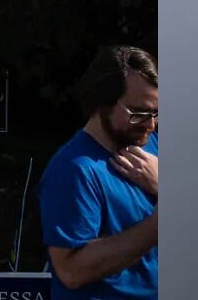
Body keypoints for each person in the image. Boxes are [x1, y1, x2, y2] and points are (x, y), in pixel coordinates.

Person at [40, 46, 157, 299]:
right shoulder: (73, 170)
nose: (151, 124)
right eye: (139, 113)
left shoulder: (149, 142)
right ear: (101, 104)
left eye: (156, 113)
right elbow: (71, 271)